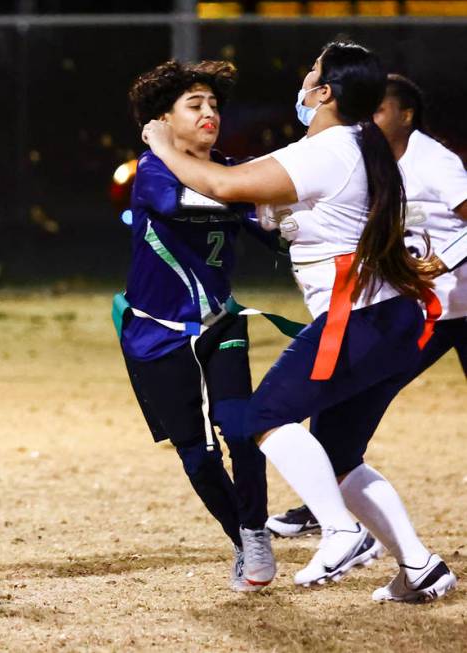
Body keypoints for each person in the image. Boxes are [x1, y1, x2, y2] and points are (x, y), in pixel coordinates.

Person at [141, 41, 457, 603]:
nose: (303, 85)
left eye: (311, 76)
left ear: (326, 92)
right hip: (390, 320)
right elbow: (250, 199)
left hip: (356, 318)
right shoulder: (352, 146)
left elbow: (220, 186)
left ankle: (340, 531)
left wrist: (163, 145)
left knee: (258, 420)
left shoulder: (329, 150)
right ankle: (420, 566)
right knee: (338, 455)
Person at [266, 74, 467, 540]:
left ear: (407, 115)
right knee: (348, 388)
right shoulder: (370, 159)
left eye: (380, 111)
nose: (370, 120)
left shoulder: (431, 160)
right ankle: (327, 496)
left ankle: (331, 491)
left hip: (454, 308)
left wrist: (447, 258)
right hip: (427, 309)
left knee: (349, 386)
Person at [115, 60, 278, 592]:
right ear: (162, 120)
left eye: (214, 105)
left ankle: (256, 536)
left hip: (219, 321)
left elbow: (270, 232)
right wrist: (166, 152)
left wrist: (285, 222)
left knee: (240, 429)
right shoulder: (153, 169)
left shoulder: (229, 169)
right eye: (195, 106)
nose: (210, 114)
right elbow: (174, 203)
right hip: (153, 333)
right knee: (198, 454)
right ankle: (240, 535)